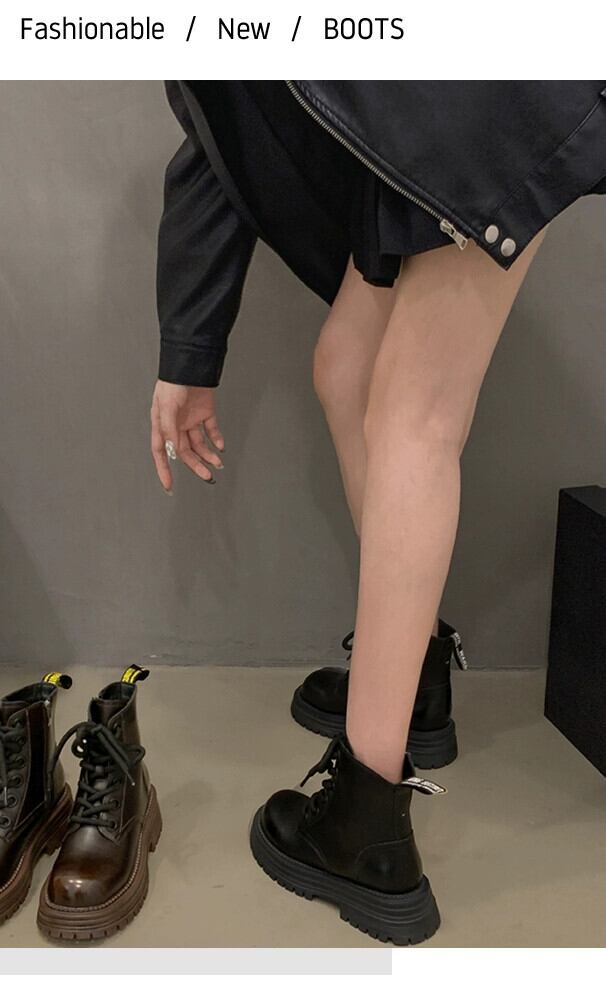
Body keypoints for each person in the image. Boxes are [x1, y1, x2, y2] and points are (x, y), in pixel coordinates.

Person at [149, 81, 606, 944]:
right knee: (348, 367)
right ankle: (416, 678)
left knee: (415, 418)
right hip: (431, 113)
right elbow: (224, 121)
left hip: (479, 97)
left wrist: (187, 354)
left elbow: (216, 125)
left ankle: (366, 820)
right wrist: (189, 351)